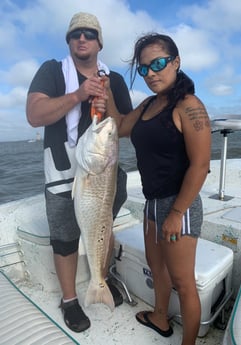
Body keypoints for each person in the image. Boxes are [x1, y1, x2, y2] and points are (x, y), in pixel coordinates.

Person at [26, 12, 132, 333]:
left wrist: (107, 97)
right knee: (64, 239)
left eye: (89, 33)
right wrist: (77, 95)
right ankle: (70, 299)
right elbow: (34, 114)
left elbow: (123, 125)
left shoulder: (113, 79)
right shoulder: (52, 71)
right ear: (69, 42)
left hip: (102, 170)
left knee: (103, 228)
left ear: (100, 42)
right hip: (63, 172)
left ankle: (102, 278)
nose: (82, 38)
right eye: (75, 34)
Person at [106, 33, 211, 345]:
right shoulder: (150, 104)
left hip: (180, 205)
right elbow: (121, 127)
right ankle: (160, 318)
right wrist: (106, 92)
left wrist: (177, 213)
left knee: (182, 281)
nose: (151, 73)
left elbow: (200, 165)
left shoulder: (188, 105)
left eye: (159, 64)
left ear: (176, 62)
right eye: (144, 69)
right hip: (152, 203)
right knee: (156, 268)